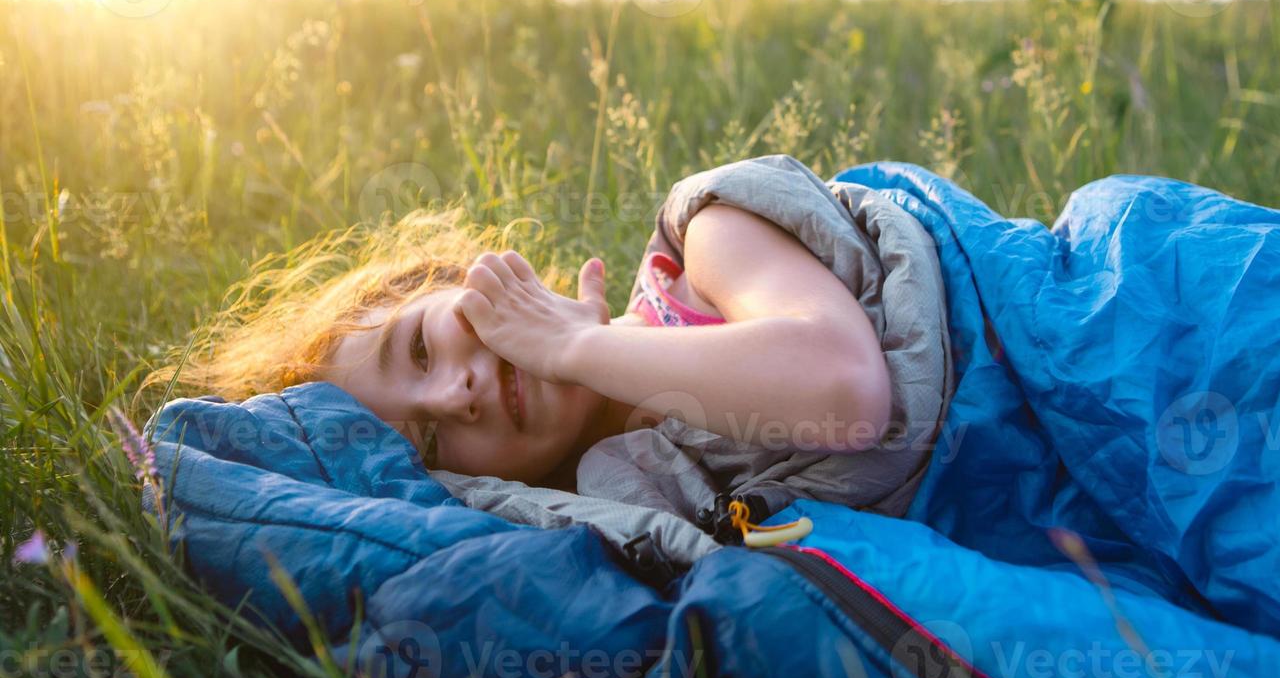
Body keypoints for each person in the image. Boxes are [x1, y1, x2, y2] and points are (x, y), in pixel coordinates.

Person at [162, 196, 895, 494]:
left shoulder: (707, 250)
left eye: (420, 349)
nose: (456, 396)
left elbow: (846, 395)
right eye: (430, 444)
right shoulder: (612, 514)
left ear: (461, 275)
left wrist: (580, 350)